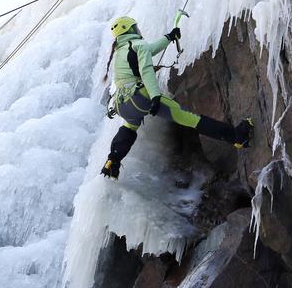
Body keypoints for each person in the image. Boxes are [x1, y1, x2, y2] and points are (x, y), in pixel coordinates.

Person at [101, 16, 252, 178]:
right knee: (190, 118)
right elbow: (146, 70)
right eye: (135, 28)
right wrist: (155, 97)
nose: (138, 30)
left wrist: (169, 38)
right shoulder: (137, 45)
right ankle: (237, 137)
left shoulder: (121, 49)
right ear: (129, 30)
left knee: (128, 128)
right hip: (140, 98)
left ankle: (112, 161)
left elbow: (149, 50)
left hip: (123, 105)